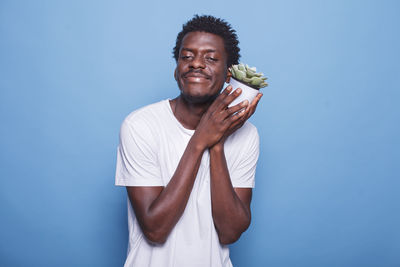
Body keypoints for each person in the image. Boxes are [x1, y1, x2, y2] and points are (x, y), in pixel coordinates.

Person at [115, 15, 262, 267]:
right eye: (186, 56)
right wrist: (199, 140)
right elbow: (155, 229)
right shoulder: (140, 126)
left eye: (211, 58)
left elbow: (230, 231)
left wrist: (216, 142)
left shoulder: (247, 135)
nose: (196, 63)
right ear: (176, 69)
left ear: (229, 74)